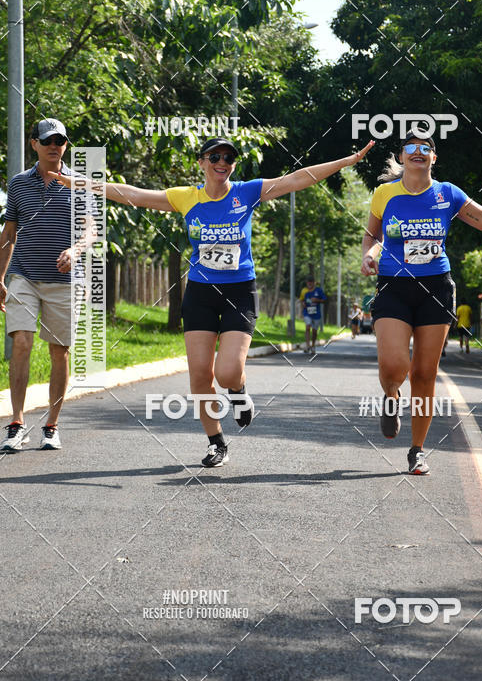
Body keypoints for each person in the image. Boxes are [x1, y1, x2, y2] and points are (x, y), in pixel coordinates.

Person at [51, 136, 373, 467]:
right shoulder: (186, 198)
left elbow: (298, 178)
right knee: (200, 376)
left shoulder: (247, 192)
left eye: (229, 158)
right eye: (215, 156)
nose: (223, 162)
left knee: (228, 371)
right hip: (201, 295)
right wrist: (79, 181)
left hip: (239, 293)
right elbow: (132, 194)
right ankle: (216, 442)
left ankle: (238, 392)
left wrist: (345, 161)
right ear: (202, 162)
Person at [361, 135, 482, 475]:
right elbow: (372, 235)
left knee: (425, 374)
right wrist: (368, 253)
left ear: (433, 158)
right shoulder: (384, 194)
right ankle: (391, 395)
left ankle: (417, 450)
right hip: (393, 287)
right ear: (401, 157)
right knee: (394, 366)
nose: (418, 153)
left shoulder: (448, 194)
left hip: (436, 288)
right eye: (411, 148)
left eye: (425, 148)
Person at [0, 120, 97, 452]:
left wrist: (75, 250)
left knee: (59, 351)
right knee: (22, 343)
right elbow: (9, 234)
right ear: (34, 144)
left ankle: (52, 426)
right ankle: (16, 423)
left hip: (65, 282)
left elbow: (89, 232)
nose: (55, 146)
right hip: (23, 275)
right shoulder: (18, 185)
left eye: (61, 141)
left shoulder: (77, 184)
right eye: (48, 140)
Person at [299, 276, 327, 354]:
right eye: (308, 282)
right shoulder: (305, 291)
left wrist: (317, 300)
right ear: (307, 283)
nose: (310, 283)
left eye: (311, 282)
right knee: (308, 327)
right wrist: (303, 303)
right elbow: (302, 300)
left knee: (314, 331)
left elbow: (324, 300)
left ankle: (313, 345)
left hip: (316, 314)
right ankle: (308, 346)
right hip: (307, 312)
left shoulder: (319, 290)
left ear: (314, 283)